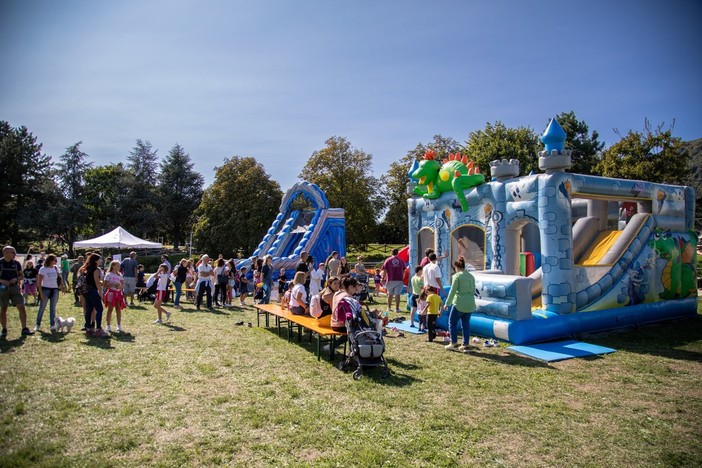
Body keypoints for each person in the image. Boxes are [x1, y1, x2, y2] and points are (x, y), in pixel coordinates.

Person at [444, 256, 477, 351]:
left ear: (456, 267)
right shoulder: (471, 276)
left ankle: (453, 343)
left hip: (459, 303)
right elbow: (473, 290)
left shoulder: (457, 276)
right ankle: (465, 344)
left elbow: (452, 291)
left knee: (452, 322)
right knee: (466, 324)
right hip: (470, 304)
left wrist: (447, 303)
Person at [79, 253, 106, 337]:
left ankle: (88, 327)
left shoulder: (87, 268)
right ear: (95, 261)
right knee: (99, 309)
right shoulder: (96, 270)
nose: (100, 261)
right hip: (93, 291)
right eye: (99, 259)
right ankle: (98, 328)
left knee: (89, 309)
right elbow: (97, 282)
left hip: (86, 291)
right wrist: (101, 293)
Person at [35, 254, 62, 332]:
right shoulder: (43, 269)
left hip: (55, 290)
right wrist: (41, 293)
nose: (56, 262)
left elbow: (59, 277)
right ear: (50, 260)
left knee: (53, 308)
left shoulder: (56, 268)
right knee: (42, 307)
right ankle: (37, 324)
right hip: (45, 289)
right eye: (55, 260)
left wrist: (62, 286)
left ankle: (52, 325)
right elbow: (39, 282)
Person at [381, 248, 406, 314]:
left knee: (390, 294)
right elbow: (404, 270)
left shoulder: (388, 260)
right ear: (398, 253)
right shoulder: (401, 260)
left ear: (391, 253)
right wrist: (402, 277)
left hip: (390, 279)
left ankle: (389, 307)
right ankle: (397, 308)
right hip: (399, 279)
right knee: (397, 294)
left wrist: (383, 278)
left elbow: (385, 270)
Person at [103, 260, 125, 333]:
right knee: (110, 309)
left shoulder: (120, 275)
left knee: (118, 309)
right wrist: (112, 284)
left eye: (119, 266)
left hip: (118, 293)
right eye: (117, 265)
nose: (119, 267)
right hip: (111, 293)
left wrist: (120, 286)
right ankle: (108, 325)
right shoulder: (109, 275)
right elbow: (105, 284)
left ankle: (118, 325)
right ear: (112, 266)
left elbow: (122, 285)